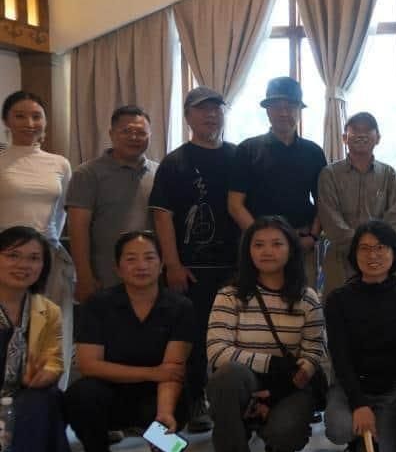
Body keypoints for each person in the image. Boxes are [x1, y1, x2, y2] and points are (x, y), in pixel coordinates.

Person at [64, 232, 195, 452]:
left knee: (167, 448)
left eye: (149, 258)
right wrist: (151, 372)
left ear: (161, 264)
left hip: (158, 395)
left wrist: (165, 414)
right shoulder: (98, 305)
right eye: (131, 259)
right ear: (118, 268)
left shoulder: (180, 307)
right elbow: (89, 365)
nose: (141, 266)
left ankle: (167, 446)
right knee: (80, 395)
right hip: (109, 393)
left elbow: (171, 371)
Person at [206, 216, 326, 452]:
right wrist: (271, 364)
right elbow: (218, 352)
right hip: (245, 381)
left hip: (289, 385)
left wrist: (277, 391)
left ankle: (277, 443)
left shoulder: (307, 297)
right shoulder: (229, 295)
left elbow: (313, 351)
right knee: (226, 376)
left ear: (291, 249)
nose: (267, 251)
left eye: (276, 244)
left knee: (285, 433)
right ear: (247, 251)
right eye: (258, 244)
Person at [149, 87, 238, 433]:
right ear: (188, 116)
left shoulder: (238, 156)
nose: (210, 115)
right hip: (191, 269)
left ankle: (235, 401)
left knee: (236, 335)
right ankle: (195, 399)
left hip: (235, 266)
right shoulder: (175, 163)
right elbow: (162, 216)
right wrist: (172, 264)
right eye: (202, 110)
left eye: (216, 109)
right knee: (194, 336)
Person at [323, 221, 396, 452]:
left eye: (381, 247)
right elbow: (339, 356)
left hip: (390, 391)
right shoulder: (338, 299)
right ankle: (357, 435)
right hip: (350, 388)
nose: (372, 255)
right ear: (354, 253)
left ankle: (393, 431)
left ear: (395, 252)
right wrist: (359, 403)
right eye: (364, 248)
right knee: (339, 428)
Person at [0, 227, 76, 452]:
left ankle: (167, 449)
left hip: (147, 406)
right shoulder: (103, 308)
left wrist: (48, 374)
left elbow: (53, 359)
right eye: (13, 256)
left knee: (51, 397)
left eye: (34, 258)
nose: (24, 265)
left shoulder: (46, 310)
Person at [227, 77, 327, 288]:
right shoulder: (247, 149)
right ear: (267, 111)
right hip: (259, 247)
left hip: (301, 241)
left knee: (302, 298)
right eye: (277, 107)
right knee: (257, 300)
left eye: (290, 106)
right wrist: (261, 239)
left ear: (299, 110)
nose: (284, 113)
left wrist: (313, 236)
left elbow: (323, 201)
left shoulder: (313, 152)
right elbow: (235, 205)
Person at [66, 105, 158, 303]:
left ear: (150, 135)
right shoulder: (87, 174)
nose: (134, 137)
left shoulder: (159, 173)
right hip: (104, 279)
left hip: (150, 279)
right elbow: (78, 229)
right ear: (111, 133)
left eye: (141, 133)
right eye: (126, 131)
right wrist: (84, 276)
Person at [0, 92, 74, 318]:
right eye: (20, 116)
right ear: (6, 121)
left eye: (36, 116)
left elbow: (62, 211)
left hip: (46, 252)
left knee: (45, 320)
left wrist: (45, 242)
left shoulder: (60, 164)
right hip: (6, 254)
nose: (30, 123)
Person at [316, 112, 396, 294]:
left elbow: (395, 218)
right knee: (340, 307)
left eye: (368, 130)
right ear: (344, 138)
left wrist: (373, 250)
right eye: (355, 130)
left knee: (384, 308)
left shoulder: (389, 175)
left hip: (381, 260)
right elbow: (330, 218)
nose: (361, 135)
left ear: (378, 138)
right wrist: (363, 248)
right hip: (341, 259)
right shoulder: (329, 174)